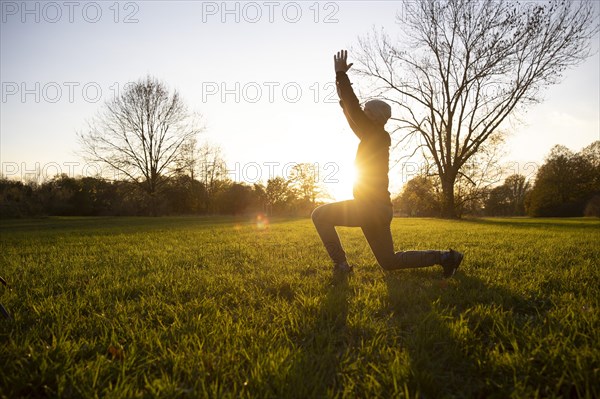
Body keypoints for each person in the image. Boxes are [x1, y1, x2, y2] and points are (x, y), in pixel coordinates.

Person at [311, 50, 463, 278]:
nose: (361, 111)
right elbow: (349, 110)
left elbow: (352, 108)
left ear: (373, 117)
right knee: (389, 261)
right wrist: (339, 84)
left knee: (319, 215)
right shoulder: (374, 136)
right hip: (380, 209)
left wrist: (341, 74)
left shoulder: (375, 134)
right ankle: (445, 257)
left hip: (370, 207)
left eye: (366, 110)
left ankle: (341, 267)